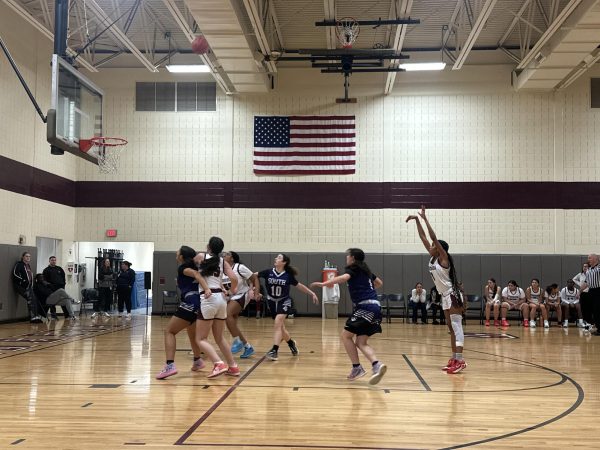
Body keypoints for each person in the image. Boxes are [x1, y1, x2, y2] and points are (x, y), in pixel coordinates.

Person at [311, 248, 386, 384]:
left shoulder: (353, 268)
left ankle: (357, 368)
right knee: (360, 342)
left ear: (353, 258)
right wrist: (367, 289)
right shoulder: (366, 271)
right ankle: (377, 365)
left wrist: (324, 284)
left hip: (365, 307)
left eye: (348, 256)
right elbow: (379, 283)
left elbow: (344, 278)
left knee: (345, 336)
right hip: (376, 307)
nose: (346, 258)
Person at [406, 206, 466, 374]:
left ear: (440, 249)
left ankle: (460, 360)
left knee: (456, 326)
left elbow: (432, 236)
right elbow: (424, 237)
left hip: (452, 295)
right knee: (450, 328)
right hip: (444, 296)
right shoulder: (432, 258)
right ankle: (454, 358)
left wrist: (425, 218)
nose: (431, 246)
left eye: (434, 246)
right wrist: (417, 221)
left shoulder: (444, 259)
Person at [156, 246, 209, 380]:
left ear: (182, 257)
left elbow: (197, 275)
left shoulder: (183, 268)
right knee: (192, 334)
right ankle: (197, 361)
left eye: (178, 253)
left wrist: (207, 289)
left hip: (190, 302)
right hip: (199, 303)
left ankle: (170, 365)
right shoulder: (197, 267)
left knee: (169, 331)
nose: (176, 254)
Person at [193, 236, 240, 378]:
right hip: (221, 299)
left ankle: (218, 363)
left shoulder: (201, 256)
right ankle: (233, 367)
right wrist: (232, 290)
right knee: (219, 338)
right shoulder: (222, 261)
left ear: (208, 246)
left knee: (200, 339)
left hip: (208, 298)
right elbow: (234, 278)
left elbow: (193, 268)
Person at [257, 254, 319, 361]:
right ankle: (291, 343)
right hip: (271, 301)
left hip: (284, 301)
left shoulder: (288, 275)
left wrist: (312, 293)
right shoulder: (268, 272)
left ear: (284, 262)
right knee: (281, 328)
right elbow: (253, 276)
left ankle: (274, 350)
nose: (276, 259)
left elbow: (299, 286)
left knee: (278, 322)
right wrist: (254, 290)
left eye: (279, 258)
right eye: (276, 257)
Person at [223, 251, 260, 359]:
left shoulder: (240, 267)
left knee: (227, 314)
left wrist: (256, 293)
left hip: (242, 295)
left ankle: (236, 341)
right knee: (232, 324)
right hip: (231, 297)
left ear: (232, 258)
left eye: (227, 254)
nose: (224, 256)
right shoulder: (222, 269)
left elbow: (255, 278)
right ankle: (248, 347)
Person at [12, 252, 43, 323]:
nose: (28, 257)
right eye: (26, 256)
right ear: (23, 257)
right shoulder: (19, 264)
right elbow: (15, 274)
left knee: (34, 299)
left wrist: (31, 284)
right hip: (20, 286)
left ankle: (36, 316)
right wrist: (23, 281)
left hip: (28, 286)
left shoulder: (28, 265)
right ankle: (33, 318)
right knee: (30, 298)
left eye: (29, 256)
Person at [581, 254, 600, 336]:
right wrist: (579, 291)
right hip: (591, 291)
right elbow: (586, 282)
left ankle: (599, 329)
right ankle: (595, 325)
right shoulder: (588, 270)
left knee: (597, 310)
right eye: (588, 258)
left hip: (599, 290)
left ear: (596, 259)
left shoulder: (599, 268)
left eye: (590, 258)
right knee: (591, 310)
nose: (588, 259)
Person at [573, 263, 592, 328]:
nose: (584, 268)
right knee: (583, 307)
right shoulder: (580, 274)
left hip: (590, 292)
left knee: (589, 307)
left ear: (589, 267)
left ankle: (590, 321)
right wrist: (580, 284)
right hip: (583, 292)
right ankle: (584, 321)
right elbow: (574, 279)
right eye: (584, 266)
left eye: (586, 266)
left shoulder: (591, 274)